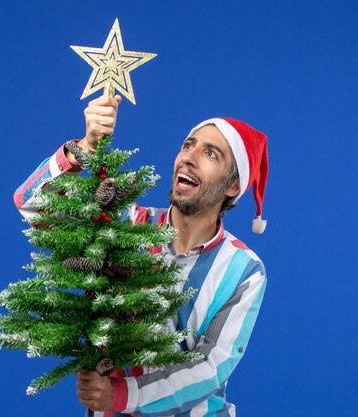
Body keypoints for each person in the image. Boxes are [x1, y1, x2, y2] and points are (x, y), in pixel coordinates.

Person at [13, 95, 269, 417]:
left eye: (210, 154)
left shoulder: (244, 270)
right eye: (188, 145)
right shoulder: (122, 225)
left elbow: (210, 367)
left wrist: (119, 396)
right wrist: (83, 149)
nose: (188, 157)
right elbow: (32, 204)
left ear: (233, 186)